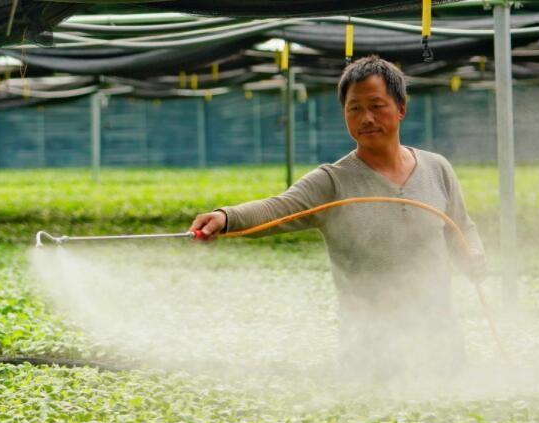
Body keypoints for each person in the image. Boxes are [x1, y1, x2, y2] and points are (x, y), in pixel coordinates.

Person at [189, 55, 487, 381]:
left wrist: (472, 255)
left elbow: (462, 228)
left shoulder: (437, 169)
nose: (366, 118)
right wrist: (225, 217)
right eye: (354, 108)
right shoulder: (332, 181)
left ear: (401, 108)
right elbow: (279, 208)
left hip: (440, 342)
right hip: (369, 352)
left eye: (377, 105)